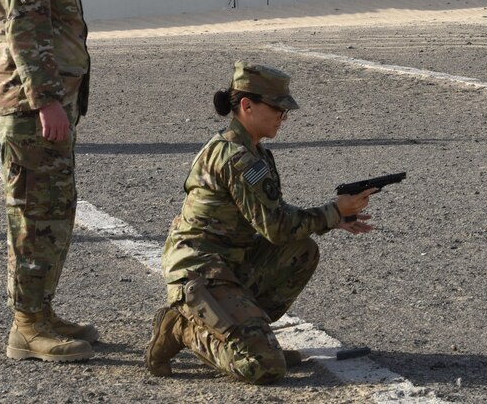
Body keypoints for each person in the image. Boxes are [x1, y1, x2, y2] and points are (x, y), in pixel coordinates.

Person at [145, 62, 376, 384]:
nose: (284, 116)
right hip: (201, 268)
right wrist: (333, 212)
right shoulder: (236, 158)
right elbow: (277, 227)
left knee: (301, 251)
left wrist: (335, 218)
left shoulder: (253, 151)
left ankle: (246, 330)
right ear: (246, 105)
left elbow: (275, 214)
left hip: (231, 261)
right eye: (278, 109)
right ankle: (183, 328)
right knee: (263, 366)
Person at [0, 0, 126, 363]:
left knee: (54, 209)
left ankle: (40, 312)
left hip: (47, 101)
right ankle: (27, 327)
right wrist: (46, 100)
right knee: (34, 211)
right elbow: (25, 31)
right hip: (32, 106)